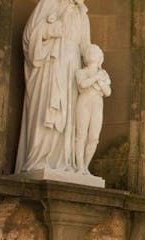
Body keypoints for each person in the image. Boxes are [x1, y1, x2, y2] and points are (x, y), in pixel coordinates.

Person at [17, 0, 92, 173]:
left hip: (72, 69)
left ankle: (65, 161)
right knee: (47, 109)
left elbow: (86, 48)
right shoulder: (49, 3)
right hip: (50, 64)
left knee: (68, 113)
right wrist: (50, 30)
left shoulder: (82, 14)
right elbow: (29, 36)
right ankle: (40, 158)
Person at [73, 44, 111, 175]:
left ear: (100, 57)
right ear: (86, 57)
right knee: (81, 135)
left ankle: (85, 165)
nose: (93, 54)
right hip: (84, 103)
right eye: (90, 52)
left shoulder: (104, 74)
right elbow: (83, 84)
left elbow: (108, 92)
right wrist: (96, 78)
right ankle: (79, 167)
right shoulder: (81, 72)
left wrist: (99, 81)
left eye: (96, 52)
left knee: (94, 137)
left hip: (97, 104)